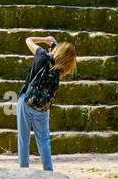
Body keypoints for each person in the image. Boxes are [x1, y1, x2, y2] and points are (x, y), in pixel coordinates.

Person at [16, 35, 77, 171]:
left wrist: (44, 39)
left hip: (26, 100)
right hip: (43, 106)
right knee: (43, 140)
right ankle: (48, 171)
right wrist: (54, 45)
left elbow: (28, 40)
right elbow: (57, 56)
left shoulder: (41, 55)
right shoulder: (59, 68)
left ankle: (23, 170)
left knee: (23, 138)